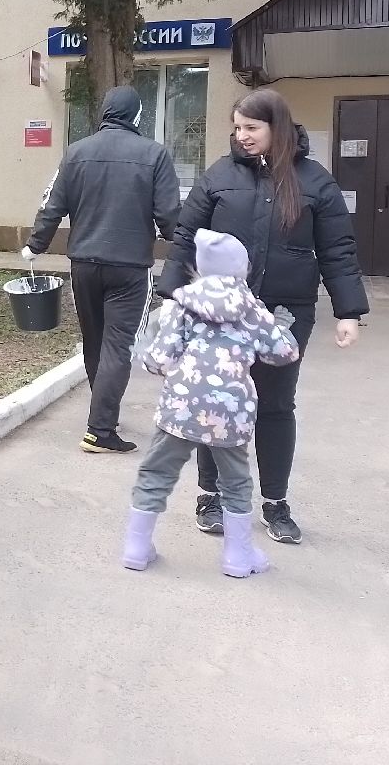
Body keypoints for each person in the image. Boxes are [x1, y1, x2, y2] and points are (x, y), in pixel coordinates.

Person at [158, 88, 367, 544]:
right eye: (237, 128)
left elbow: (338, 250)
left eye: (251, 127)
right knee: (220, 399)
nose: (242, 136)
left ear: (277, 127)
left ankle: (276, 503)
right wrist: (172, 290)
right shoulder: (220, 175)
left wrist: (348, 311)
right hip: (223, 313)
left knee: (275, 406)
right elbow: (185, 234)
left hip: (284, 313)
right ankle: (209, 495)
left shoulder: (315, 182)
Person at [123, 229, 301, 578]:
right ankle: (238, 557)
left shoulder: (181, 303)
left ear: (199, 268)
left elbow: (159, 359)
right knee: (235, 482)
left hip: (181, 406)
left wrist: (154, 359)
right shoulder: (252, 308)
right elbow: (284, 353)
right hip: (231, 411)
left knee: (156, 472)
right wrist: (281, 325)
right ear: (243, 269)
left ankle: (136, 548)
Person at [23, 85, 181, 453]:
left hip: (83, 266)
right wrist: (188, 247)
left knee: (95, 342)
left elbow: (52, 206)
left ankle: (102, 411)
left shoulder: (75, 153)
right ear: (137, 115)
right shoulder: (154, 154)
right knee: (118, 346)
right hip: (129, 268)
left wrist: (35, 245)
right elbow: (169, 215)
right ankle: (100, 429)